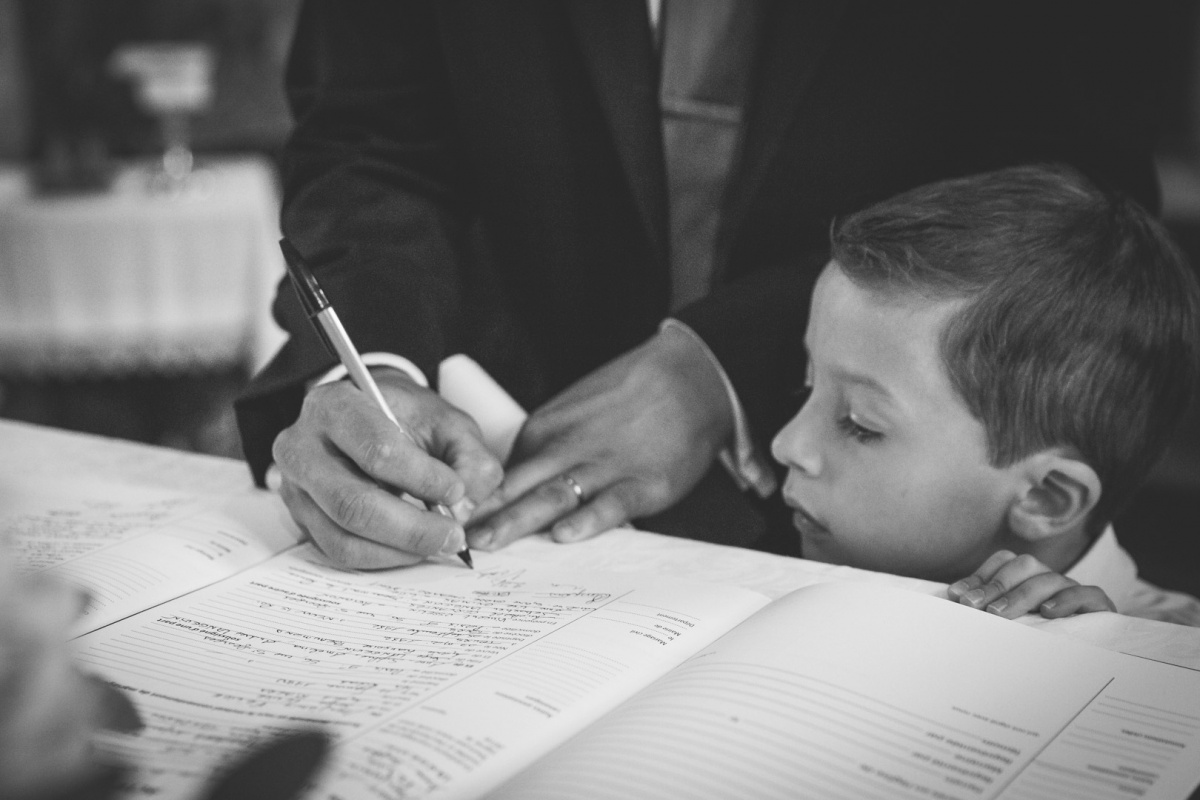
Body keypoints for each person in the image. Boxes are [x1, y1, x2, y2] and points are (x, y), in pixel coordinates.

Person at [235, 1, 1173, 568]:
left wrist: (726, 369)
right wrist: (374, 369)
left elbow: (1077, 188)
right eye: (812, 401)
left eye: (842, 413)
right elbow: (372, 136)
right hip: (522, 457)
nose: (795, 440)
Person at [769, 164, 1200, 624]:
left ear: (1045, 498)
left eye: (860, 425)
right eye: (807, 383)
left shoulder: (1173, 669)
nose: (786, 445)